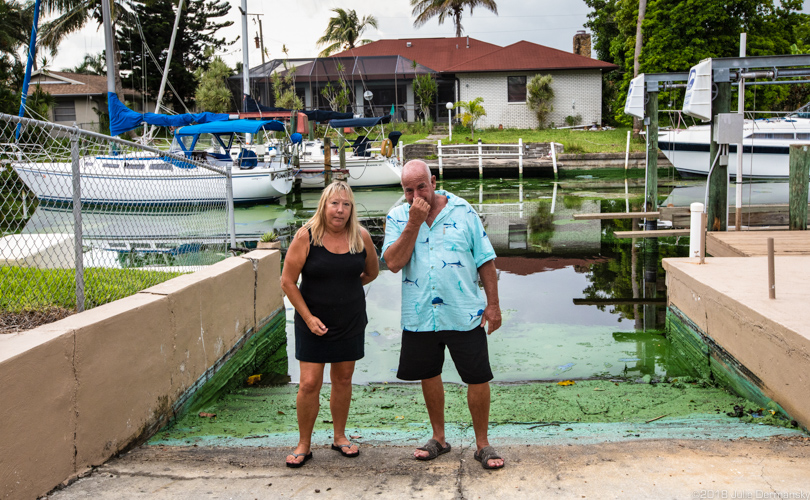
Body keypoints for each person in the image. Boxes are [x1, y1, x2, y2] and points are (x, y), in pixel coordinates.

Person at [381, 160, 505, 470]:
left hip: (464, 311)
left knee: (478, 376)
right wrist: (413, 222)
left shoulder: (463, 211)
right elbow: (394, 263)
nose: (415, 194)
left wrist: (493, 305)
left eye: (421, 186)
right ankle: (439, 438)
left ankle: (482, 444)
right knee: (429, 373)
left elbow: (485, 259)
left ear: (433, 181)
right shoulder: (397, 217)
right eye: (408, 190)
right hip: (421, 314)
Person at [280, 181, 379, 468]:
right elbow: (287, 282)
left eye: (346, 204)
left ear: (352, 209)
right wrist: (309, 317)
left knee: (343, 379)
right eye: (334, 203)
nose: (340, 210)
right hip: (312, 322)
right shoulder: (306, 237)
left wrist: (345, 290)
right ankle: (304, 444)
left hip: (349, 320)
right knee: (309, 383)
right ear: (324, 205)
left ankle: (339, 436)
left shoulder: (361, 237)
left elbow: (371, 272)